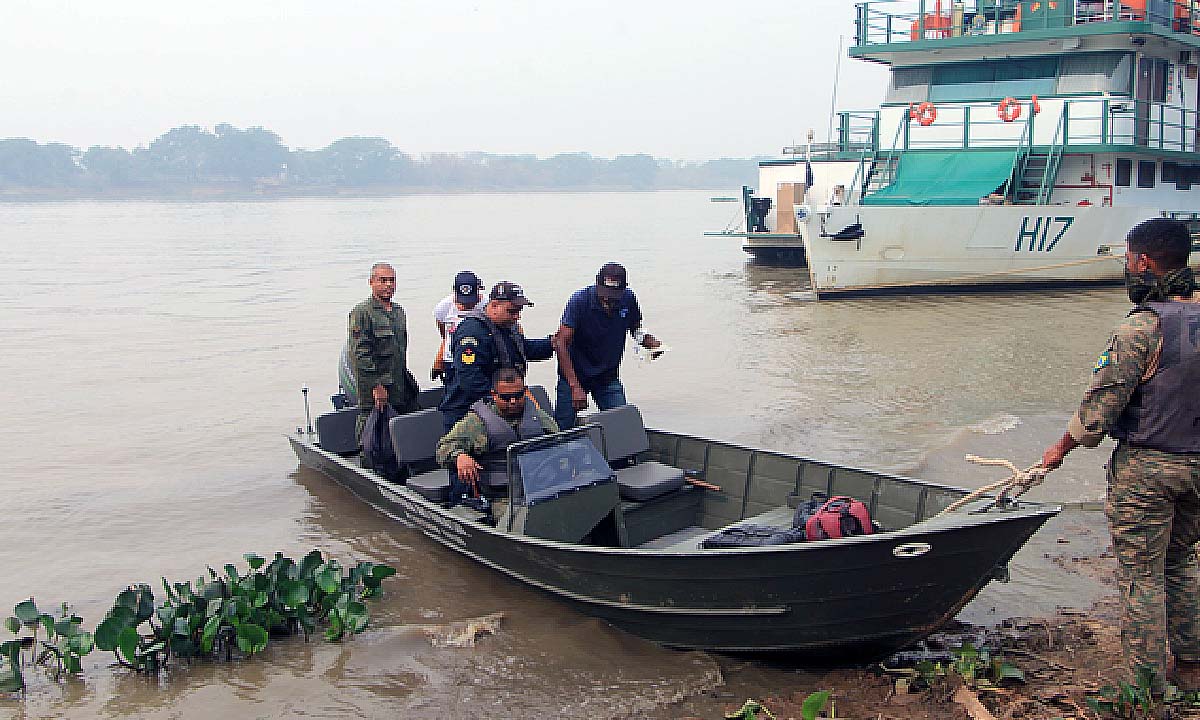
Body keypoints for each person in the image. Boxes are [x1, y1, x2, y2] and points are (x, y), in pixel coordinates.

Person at [1039, 218, 1200, 693]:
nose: (1127, 269)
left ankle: (1148, 685)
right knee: (1181, 561)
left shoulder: (1141, 329)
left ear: (1144, 263)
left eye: (1129, 261)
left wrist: (1059, 449)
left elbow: (1101, 408)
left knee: (1141, 576)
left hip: (1148, 471)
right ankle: (1191, 665)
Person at [552, 262, 661, 430]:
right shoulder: (579, 301)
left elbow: (636, 329)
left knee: (622, 424)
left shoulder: (629, 298)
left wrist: (651, 343)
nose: (608, 298)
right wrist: (574, 385)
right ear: (597, 283)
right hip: (575, 375)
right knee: (562, 429)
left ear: (624, 288)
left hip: (607, 377)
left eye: (614, 295)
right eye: (604, 294)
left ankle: (621, 456)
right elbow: (560, 342)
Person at [438, 281, 554, 433]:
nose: (517, 316)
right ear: (494, 305)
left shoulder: (507, 326)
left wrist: (552, 343)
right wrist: (502, 398)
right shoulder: (471, 332)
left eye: (519, 311)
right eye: (512, 311)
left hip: (500, 407)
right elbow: (469, 377)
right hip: (466, 411)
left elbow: (523, 349)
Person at [435, 367, 559, 508]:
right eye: (506, 398)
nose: (513, 401)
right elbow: (443, 448)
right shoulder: (477, 421)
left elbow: (560, 441)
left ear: (525, 391)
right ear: (494, 394)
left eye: (518, 396)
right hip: (503, 497)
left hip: (541, 487)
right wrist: (459, 457)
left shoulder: (536, 416)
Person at [347, 262, 420, 439]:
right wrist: (376, 387)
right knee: (372, 430)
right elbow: (360, 354)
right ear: (371, 282)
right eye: (383, 280)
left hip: (399, 383)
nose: (388, 285)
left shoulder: (398, 312)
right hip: (376, 386)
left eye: (392, 280)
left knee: (404, 428)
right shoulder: (362, 313)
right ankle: (368, 464)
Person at [431, 270, 483, 387]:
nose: (466, 307)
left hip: (479, 360)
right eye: (462, 302)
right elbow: (445, 336)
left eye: (470, 302)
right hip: (452, 361)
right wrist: (439, 360)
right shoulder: (443, 308)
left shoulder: (486, 306)